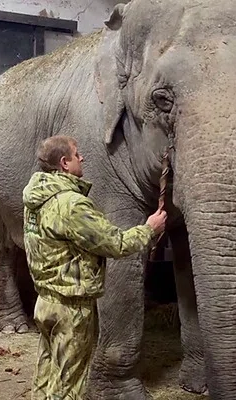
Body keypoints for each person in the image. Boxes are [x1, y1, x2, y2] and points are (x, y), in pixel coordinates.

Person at [22, 135, 167, 399]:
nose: (82, 158)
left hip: (45, 302)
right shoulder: (72, 204)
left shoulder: (35, 198)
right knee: (69, 386)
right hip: (71, 308)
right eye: (77, 154)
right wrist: (149, 229)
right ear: (65, 163)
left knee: (46, 377)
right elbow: (114, 243)